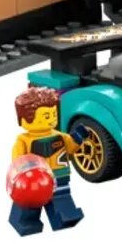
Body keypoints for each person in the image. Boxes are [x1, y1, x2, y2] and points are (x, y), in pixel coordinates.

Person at [12, 87, 85, 230]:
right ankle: (26, 221)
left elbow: (70, 147)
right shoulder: (24, 141)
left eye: (54, 114)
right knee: (30, 205)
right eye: (46, 116)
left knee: (62, 200)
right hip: (35, 181)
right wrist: (24, 173)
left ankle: (63, 218)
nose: (52, 119)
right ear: (24, 120)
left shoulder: (59, 136)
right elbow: (17, 160)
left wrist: (78, 138)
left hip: (60, 177)